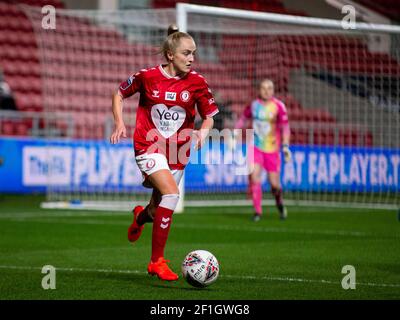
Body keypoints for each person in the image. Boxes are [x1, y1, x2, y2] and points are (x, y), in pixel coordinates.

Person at [110, 25, 219, 281]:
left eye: (194, 53)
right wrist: (119, 123)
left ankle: (139, 217)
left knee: (156, 208)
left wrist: (203, 132)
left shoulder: (198, 82)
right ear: (171, 55)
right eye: (186, 53)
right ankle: (156, 262)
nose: (192, 58)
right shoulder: (147, 77)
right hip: (148, 145)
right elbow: (118, 93)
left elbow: (210, 118)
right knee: (172, 194)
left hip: (179, 153)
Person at [235, 79, 291, 222]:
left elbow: (285, 128)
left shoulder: (278, 106)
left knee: (274, 184)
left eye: (269, 88)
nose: (266, 90)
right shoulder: (254, 105)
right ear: (259, 90)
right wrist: (235, 132)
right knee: (254, 177)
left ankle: (279, 202)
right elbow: (243, 117)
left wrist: (285, 146)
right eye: (263, 88)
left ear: (273, 90)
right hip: (255, 146)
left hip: (272, 148)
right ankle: (257, 212)